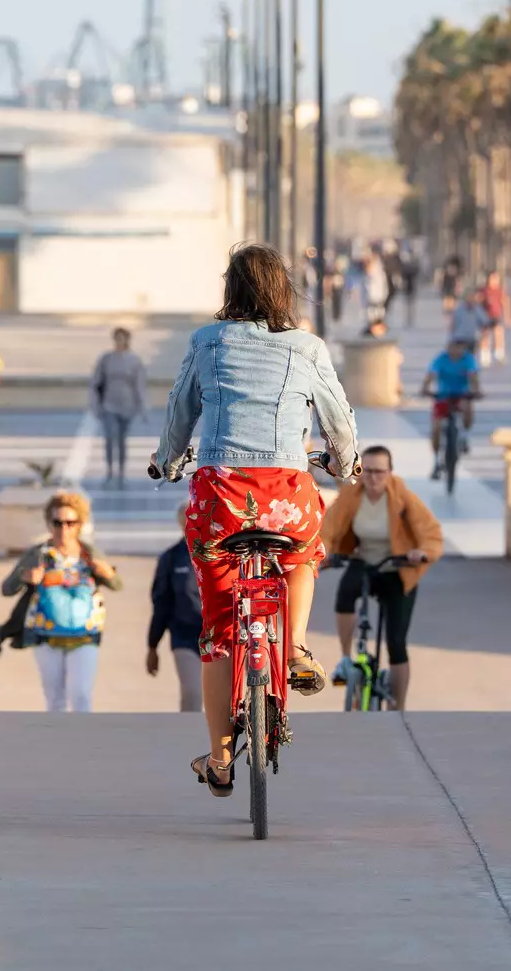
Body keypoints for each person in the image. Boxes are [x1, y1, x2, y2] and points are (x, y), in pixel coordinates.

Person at [151, 242, 358, 796]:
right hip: (286, 493)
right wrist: (345, 461)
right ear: (283, 291)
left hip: (220, 494)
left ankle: (220, 761)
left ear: (230, 290)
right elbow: (337, 415)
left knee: (219, 634)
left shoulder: (208, 341)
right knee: (303, 554)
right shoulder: (307, 347)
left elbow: (180, 409)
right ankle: (291, 648)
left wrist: (168, 460)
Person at [325, 447, 444, 709]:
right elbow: (328, 527)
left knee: (396, 642)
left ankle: (398, 707)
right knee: (345, 595)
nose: (373, 477)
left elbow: (431, 533)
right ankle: (346, 659)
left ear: (390, 473)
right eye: (367, 471)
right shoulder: (351, 495)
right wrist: (324, 554)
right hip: (364, 562)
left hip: (397, 568)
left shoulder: (403, 497)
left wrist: (421, 552)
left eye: (379, 471)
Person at [0, 489, 122, 712]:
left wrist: (107, 573)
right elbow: (6, 589)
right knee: (55, 701)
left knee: (81, 696)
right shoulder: (38, 554)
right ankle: (58, 745)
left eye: (70, 523)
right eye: (57, 522)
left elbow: (117, 585)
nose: (63, 529)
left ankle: (82, 744)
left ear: (80, 524)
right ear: (49, 523)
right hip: (46, 637)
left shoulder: (89, 554)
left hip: (85, 636)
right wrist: (24, 577)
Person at [145, 503, 205, 712]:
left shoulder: (223, 554)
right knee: (193, 694)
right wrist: (153, 646)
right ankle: (188, 737)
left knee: (226, 700)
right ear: (182, 524)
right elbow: (161, 604)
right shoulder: (170, 559)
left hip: (222, 639)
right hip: (185, 638)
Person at [90, 326, 147, 488]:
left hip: (127, 407)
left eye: (122, 338)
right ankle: (109, 472)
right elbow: (96, 383)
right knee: (109, 439)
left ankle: (121, 474)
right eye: (116, 338)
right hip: (109, 405)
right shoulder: (106, 359)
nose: (119, 341)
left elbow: (139, 386)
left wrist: (142, 408)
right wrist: (95, 405)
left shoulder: (134, 360)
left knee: (122, 441)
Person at [421, 335, 483, 477]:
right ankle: (436, 461)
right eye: (452, 347)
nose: (455, 351)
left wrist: (477, 390)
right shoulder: (441, 359)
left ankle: (465, 437)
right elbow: (431, 375)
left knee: (467, 407)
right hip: (443, 395)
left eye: (459, 347)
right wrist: (425, 388)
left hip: (461, 394)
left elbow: (473, 377)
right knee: (436, 427)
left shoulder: (468, 359)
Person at [479, 270, 509, 365]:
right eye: (493, 278)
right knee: (485, 335)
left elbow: (504, 302)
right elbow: (478, 302)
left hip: (496, 315)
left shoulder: (500, 290)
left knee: (498, 333)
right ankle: (485, 354)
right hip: (485, 315)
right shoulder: (484, 290)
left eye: (497, 279)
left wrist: (507, 316)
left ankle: (499, 352)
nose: (495, 281)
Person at [399, 249, 421, 326]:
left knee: (410, 305)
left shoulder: (407, 267)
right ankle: (408, 319)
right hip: (408, 288)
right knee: (408, 305)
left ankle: (409, 319)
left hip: (410, 287)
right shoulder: (406, 267)